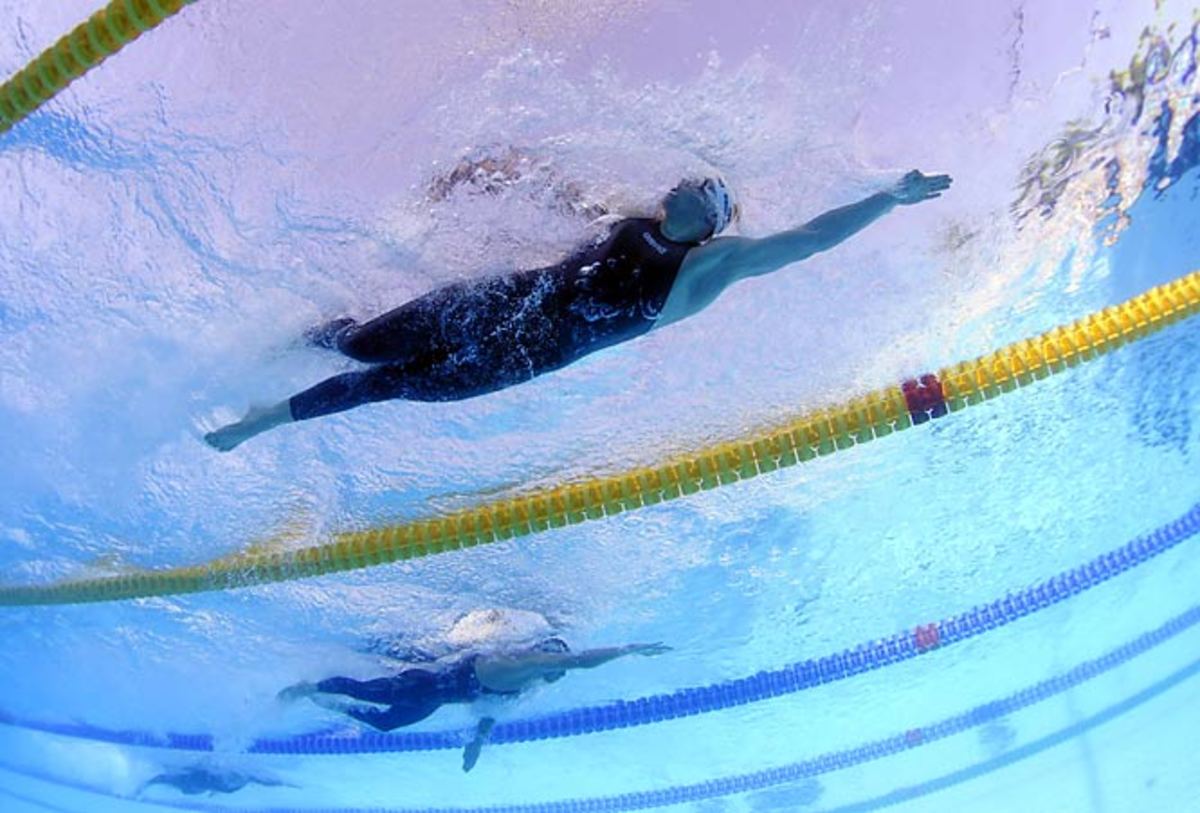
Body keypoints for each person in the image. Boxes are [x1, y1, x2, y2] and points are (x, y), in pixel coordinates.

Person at [205, 170, 951, 450]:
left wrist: (886, 199)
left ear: (715, 215)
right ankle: (276, 345)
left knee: (392, 385)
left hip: (526, 354)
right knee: (366, 345)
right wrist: (489, 173)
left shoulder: (707, 270)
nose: (685, 180)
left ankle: (257, 422)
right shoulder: (632, 217)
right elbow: (563, 197)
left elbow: (810, 240)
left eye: (703, 183)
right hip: (492, 302)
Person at [277, 637, 670, 771]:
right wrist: (629, 650)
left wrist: (477, 743)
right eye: (557, 666)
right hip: (424, 684)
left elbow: (490, 711)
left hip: (433, 699)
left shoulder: (522, 685)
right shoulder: (516, 667)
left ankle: (324, 701)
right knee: (371, 692)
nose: (560, 674)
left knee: (385, 725)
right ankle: (310, 686)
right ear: (549, 659)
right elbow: (578, 660)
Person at [138, 765, 289, 796]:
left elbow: (157, 779)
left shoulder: (182, 781)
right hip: (208, 778)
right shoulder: (183, 782)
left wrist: (140, 789)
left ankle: (283, 783)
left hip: (206, 778)